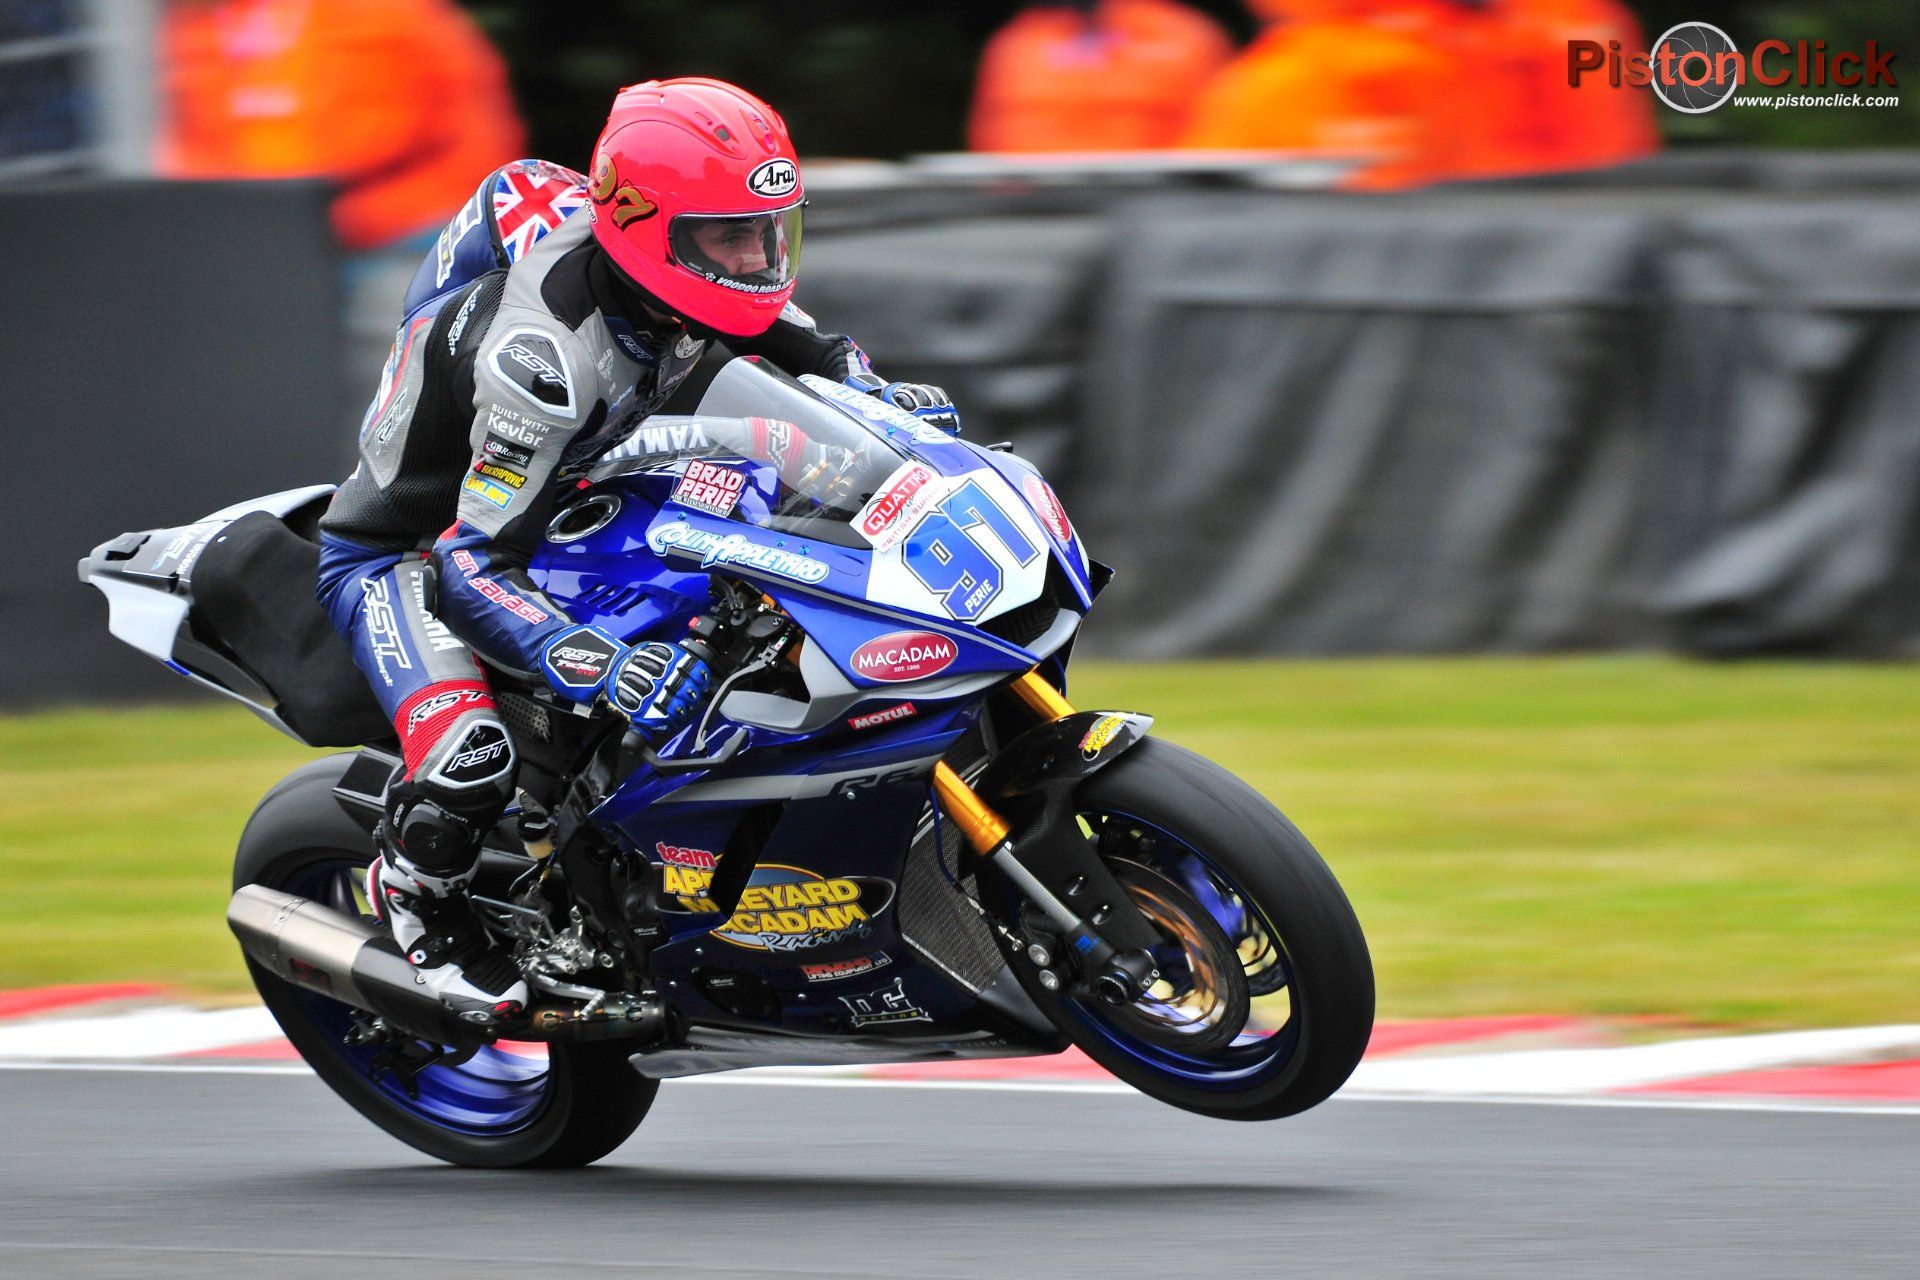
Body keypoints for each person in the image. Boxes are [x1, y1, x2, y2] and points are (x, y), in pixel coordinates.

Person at [315, 78, 959, 1023]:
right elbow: (471, 562)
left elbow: (820, 357)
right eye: (727, 237)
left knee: (756, 568)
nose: (757, 259)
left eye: (768, 231)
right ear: (648, 233)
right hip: (414, 548)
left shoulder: (683, 269)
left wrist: (888, 410)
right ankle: (420, 906)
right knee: (471, 757)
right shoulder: (542, 359)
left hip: (579, 479)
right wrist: (599, 662)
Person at [968, 0, 1234, 153]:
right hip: (1029, 210)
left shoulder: (1184, 38)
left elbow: (1214, 141)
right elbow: (987, 136)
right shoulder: (1021, 41)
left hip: (1152, 209)